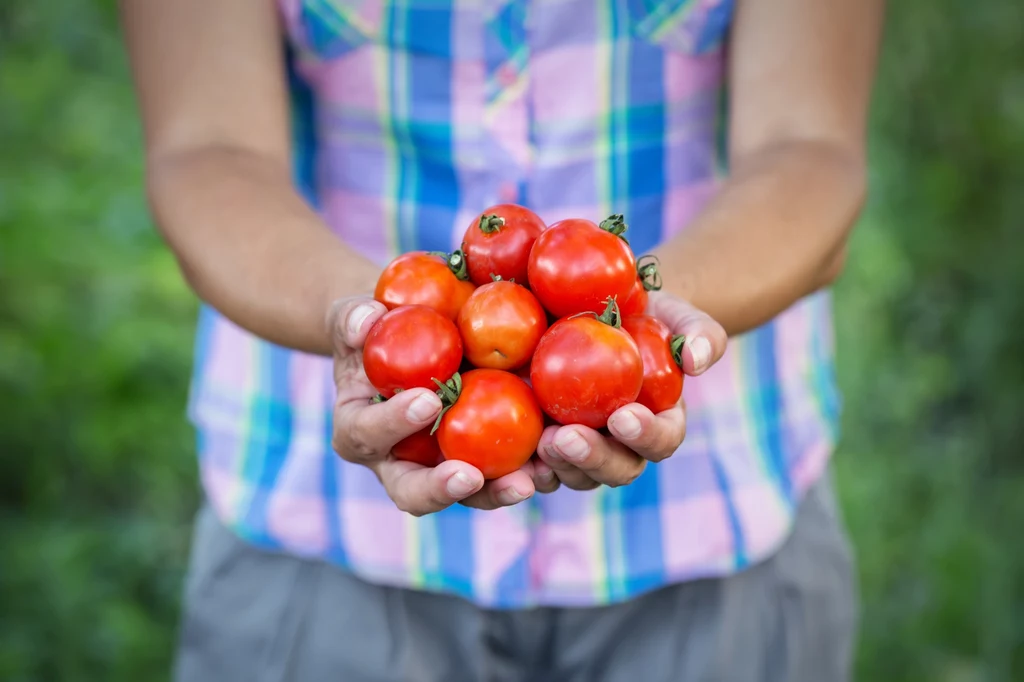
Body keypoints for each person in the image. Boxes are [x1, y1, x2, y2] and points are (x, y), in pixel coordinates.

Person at [121, 0, 882, 679]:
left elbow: (808, 148)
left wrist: (636, 314)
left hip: (717, 518)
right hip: (319, 528)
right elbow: (207, 150)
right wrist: (352, 319)